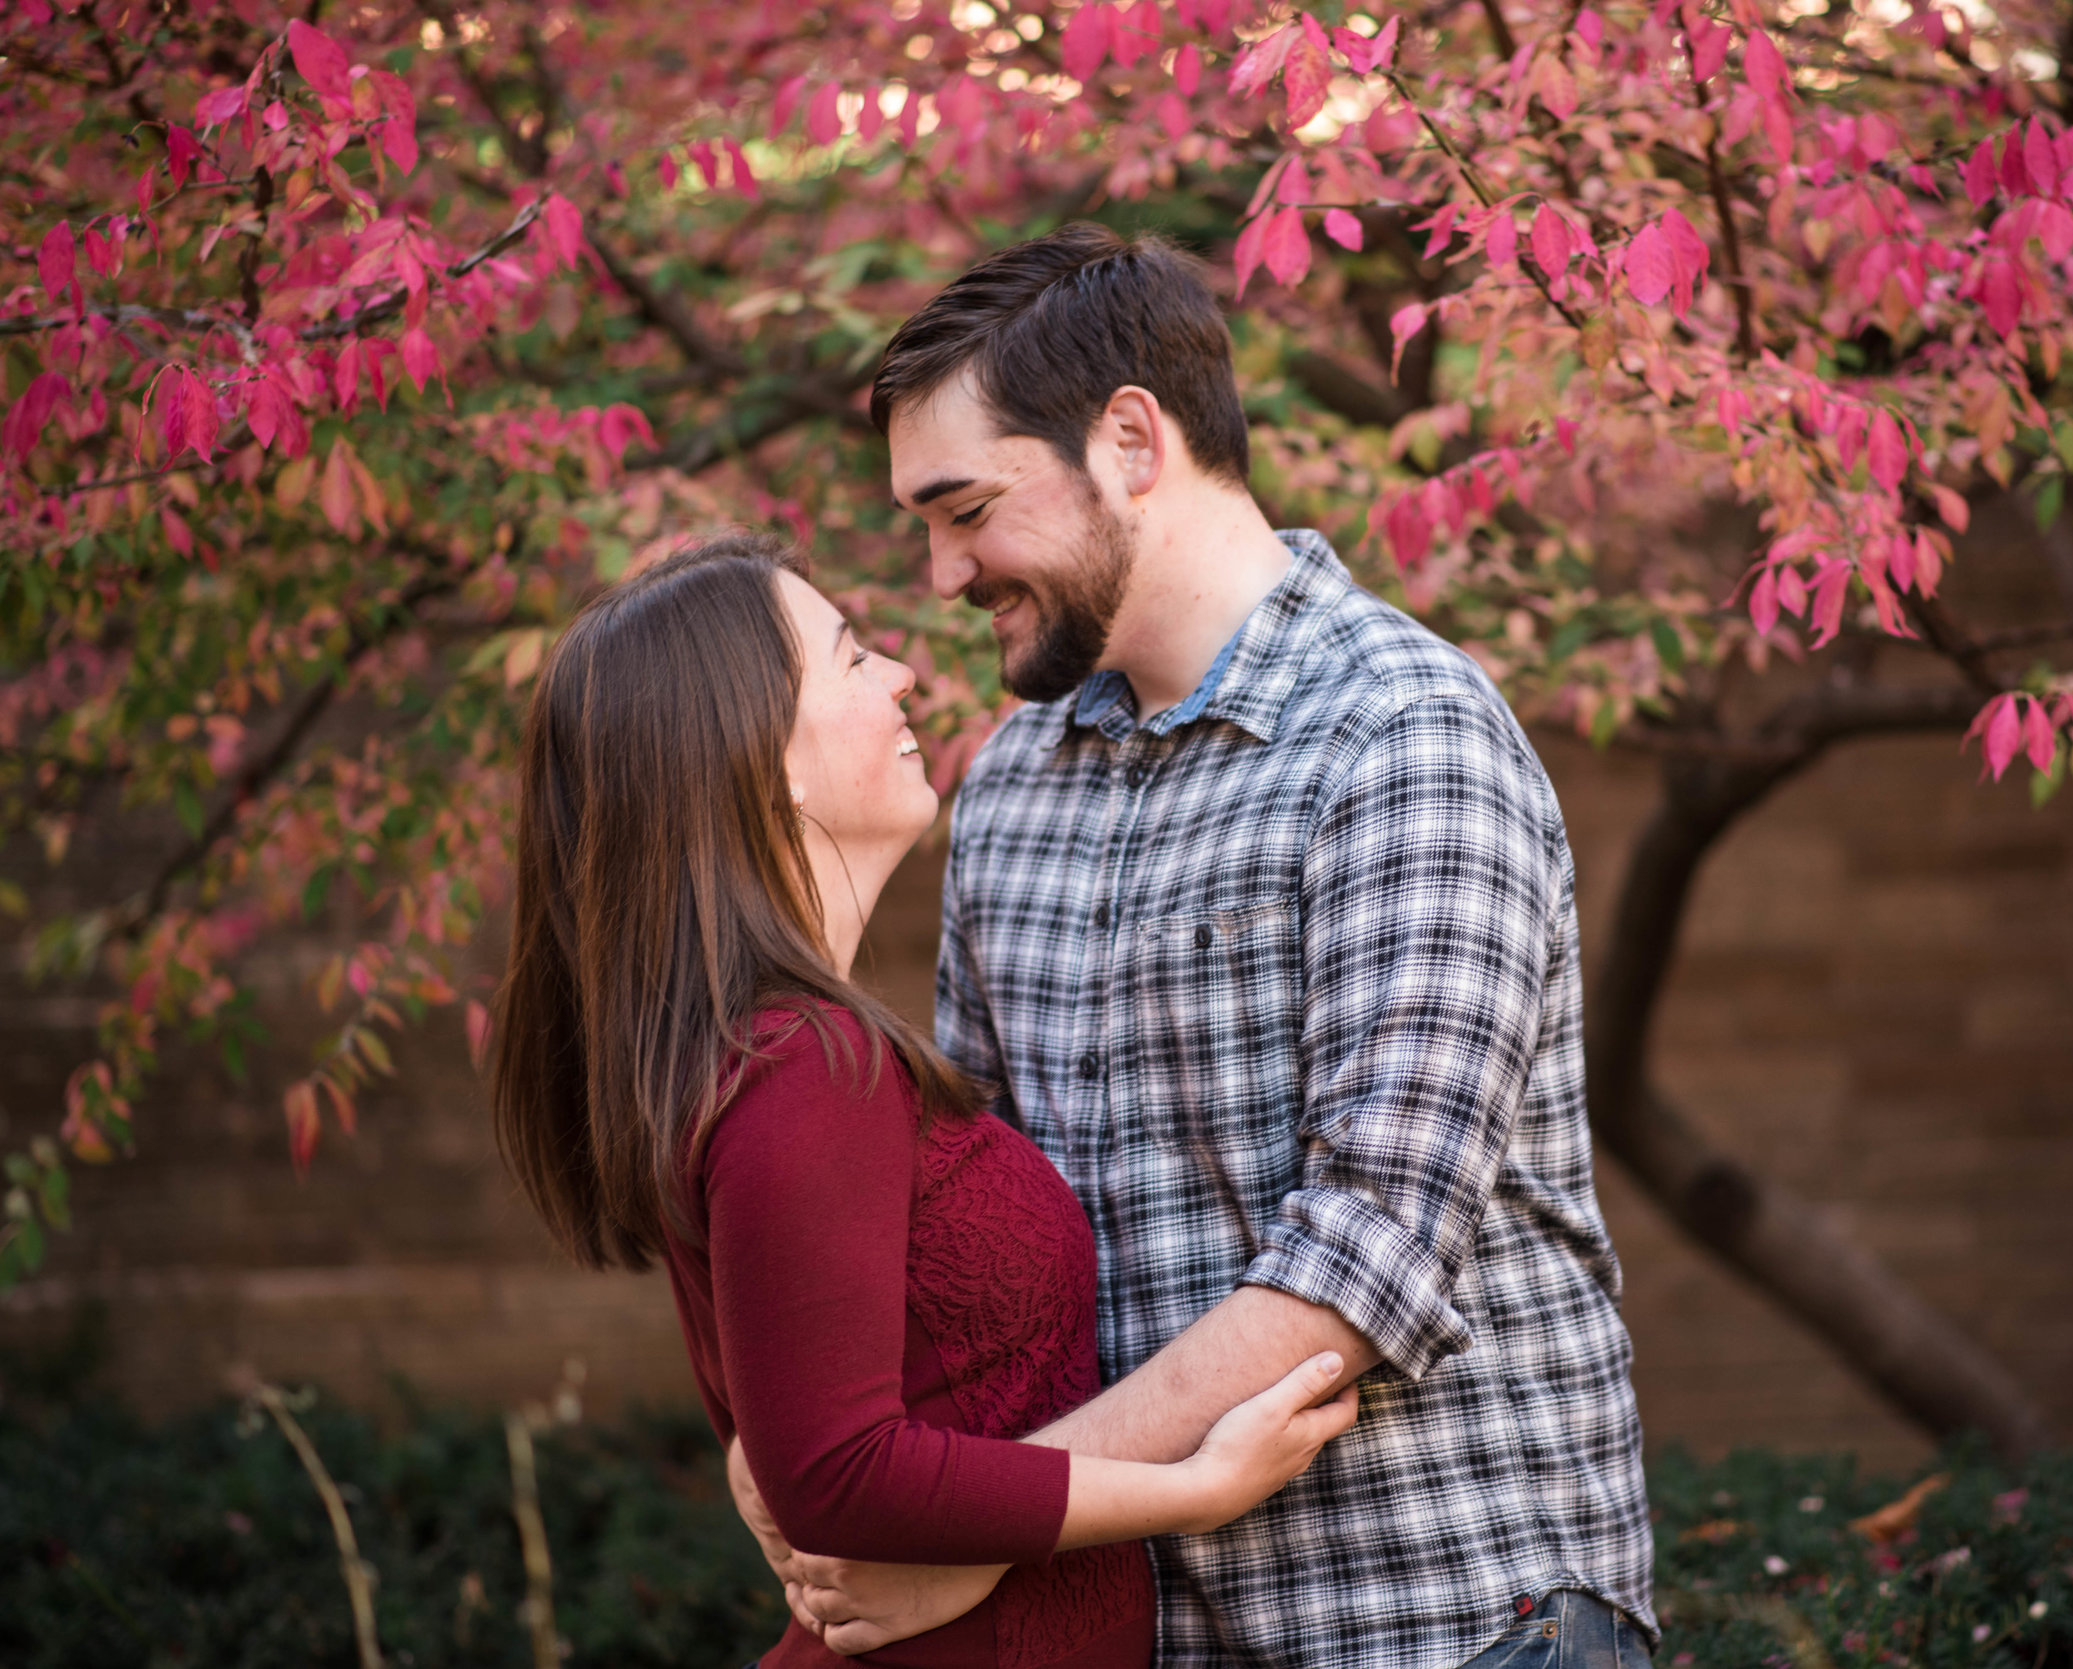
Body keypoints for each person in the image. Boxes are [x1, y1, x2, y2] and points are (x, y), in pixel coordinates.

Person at [741, 224, 1656, 1667]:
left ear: (1129, 439)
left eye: (965, 507)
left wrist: (984, 1535)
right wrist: (789, 1431)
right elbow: (968, 1220)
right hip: (1138, 1634)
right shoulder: (1016, 784)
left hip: (1444, 1622)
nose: (938, 573)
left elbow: (1363, 1265)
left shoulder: (1404, 736)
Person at [487, 533, 1361, 1669]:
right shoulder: (804, 1060)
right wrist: (1186, 1489)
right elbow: (838, 1474)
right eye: (852, 658)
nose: (903, 674)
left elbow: (796, 1431)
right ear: (767, 761)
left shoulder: (770, 1051)